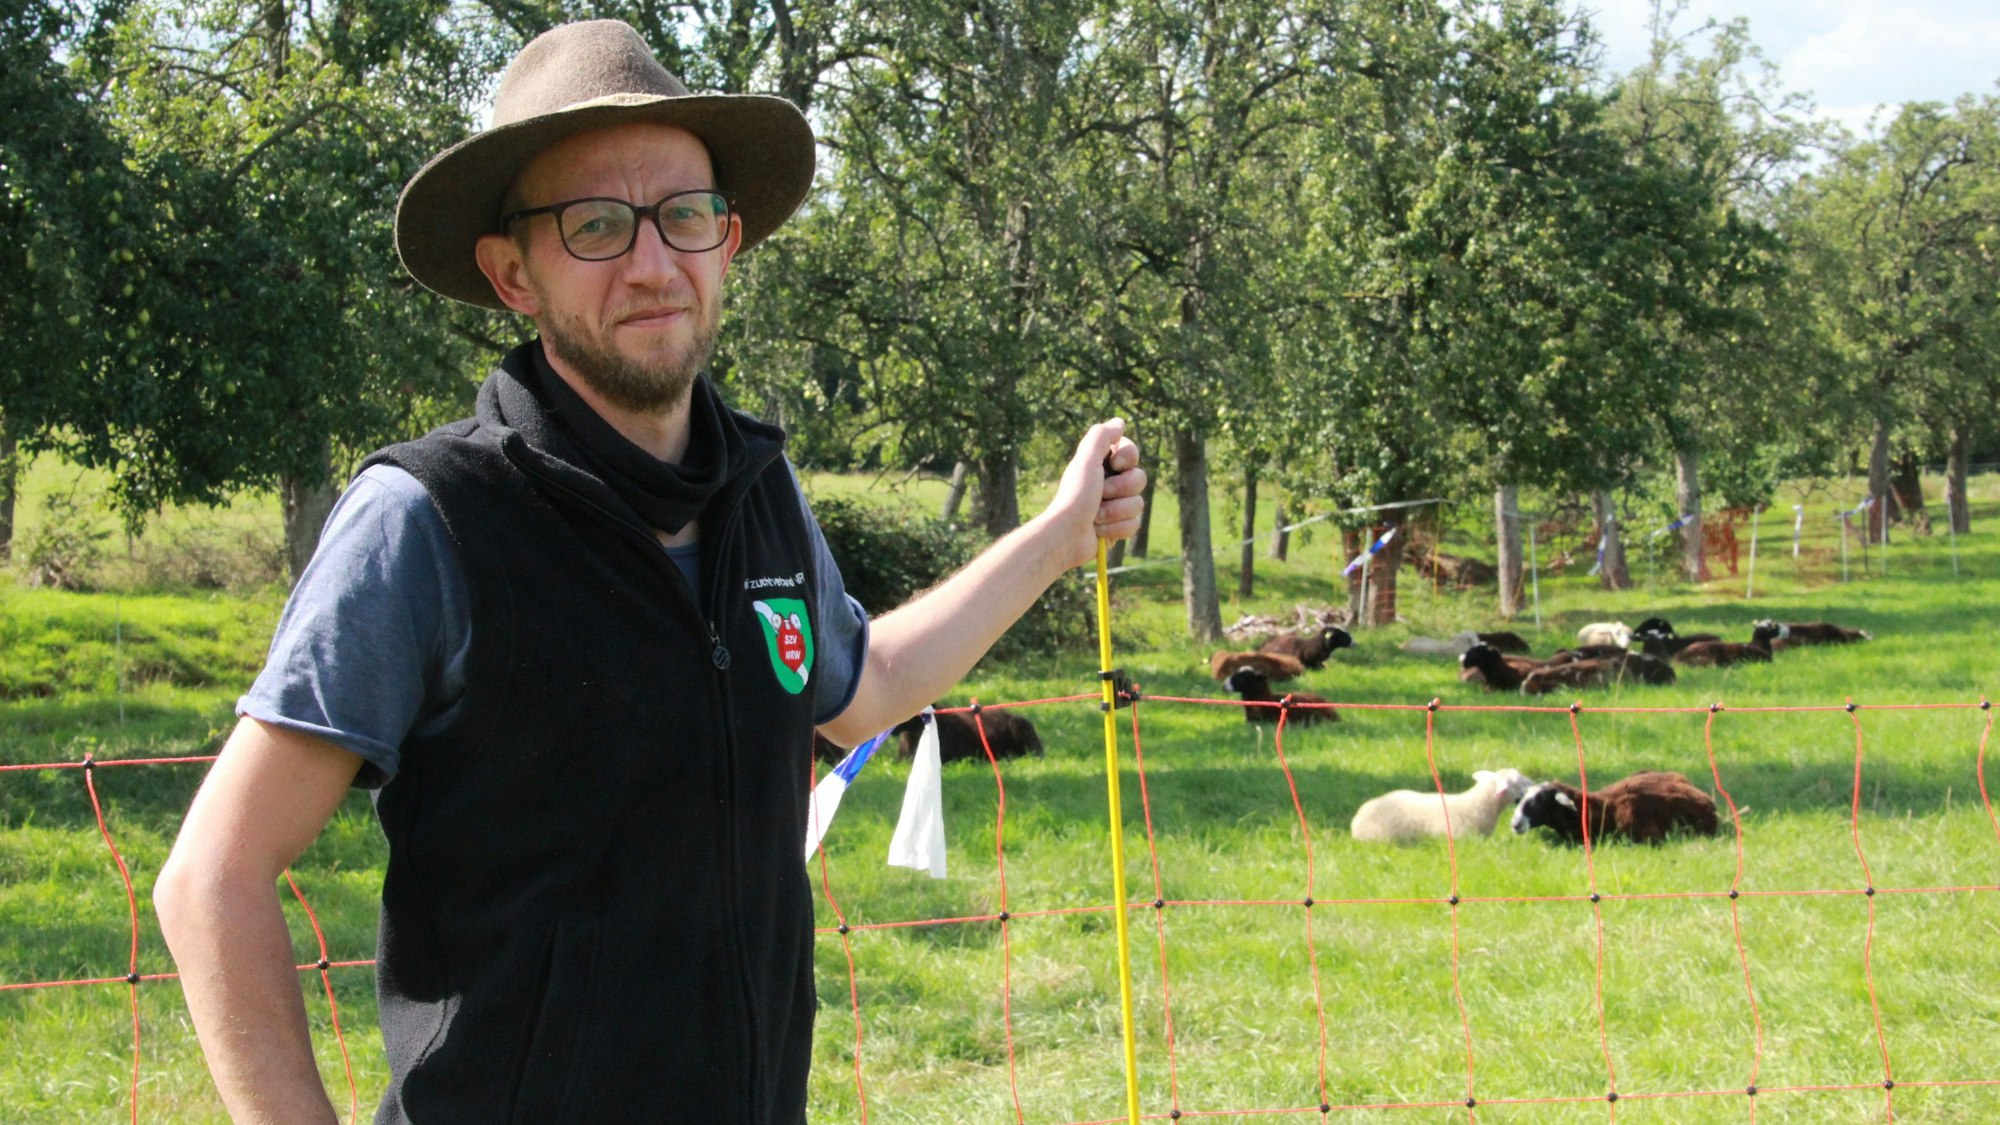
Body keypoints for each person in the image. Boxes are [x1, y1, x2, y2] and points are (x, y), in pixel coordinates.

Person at [152, 19, 1145, 1125]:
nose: (651, 261)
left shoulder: (755, 489)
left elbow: (863, 688)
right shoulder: (429, 521)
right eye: (594, 226)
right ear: (509, 273)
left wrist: (1057, 542)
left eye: (682, 216)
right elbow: (212, 881)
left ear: (725, 241)